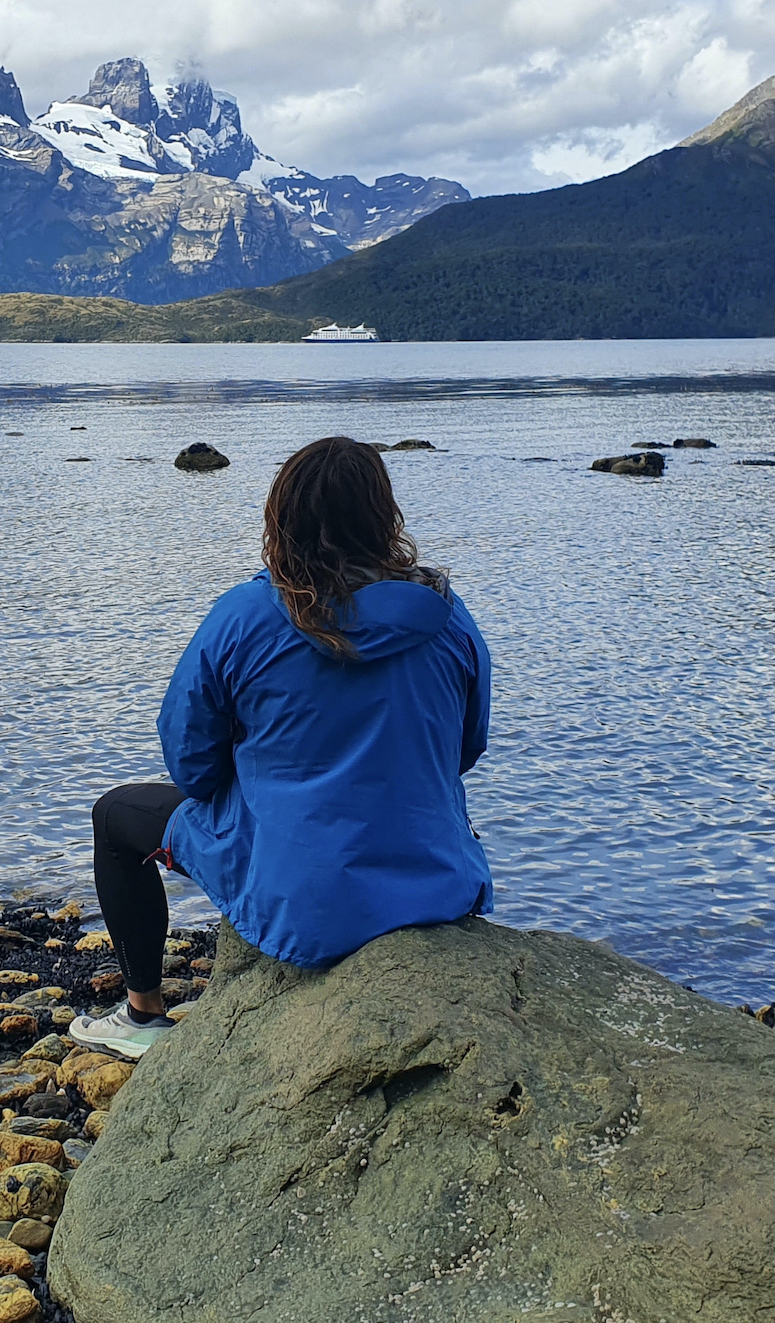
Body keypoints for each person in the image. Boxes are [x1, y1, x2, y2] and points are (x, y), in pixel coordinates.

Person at [68, 435, 494, 1060]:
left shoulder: (245, 616)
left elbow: (190, 764)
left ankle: (142, 1013)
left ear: (282, 517)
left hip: (309, 905)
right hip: (438, 884)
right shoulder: (449, 619)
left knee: (116, 816)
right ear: (384, 515)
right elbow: (465, 751)